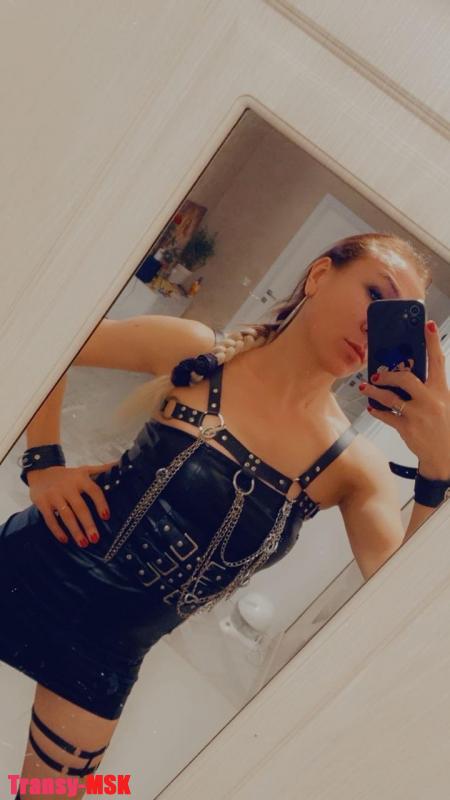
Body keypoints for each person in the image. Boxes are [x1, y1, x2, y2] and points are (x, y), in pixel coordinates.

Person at [1, 233, 449, 799]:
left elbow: (398, 605)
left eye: (394, 319)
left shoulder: (354, 469)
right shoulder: (197, 351)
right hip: (25, 565)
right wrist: (43, 464)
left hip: (105, 656)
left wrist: (437, 470)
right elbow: (51, 335)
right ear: (319, 276)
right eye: (375, 295)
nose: (372, 327)